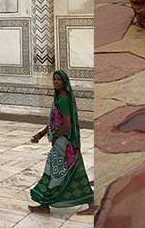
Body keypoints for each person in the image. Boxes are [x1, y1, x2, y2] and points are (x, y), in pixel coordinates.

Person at [29, 70, 95, 215]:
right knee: (75, 172)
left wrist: (56, 137)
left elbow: (66, 125)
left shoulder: (63, 100)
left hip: (64, 144)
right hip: (66, 144)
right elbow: (54, 122)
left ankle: (44, 204)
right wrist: (41, 134)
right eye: (54, 79)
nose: (56, 82)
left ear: (65, 82)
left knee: (53, 173)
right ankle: (91, 203)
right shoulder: (60, 98)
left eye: (59, 79)